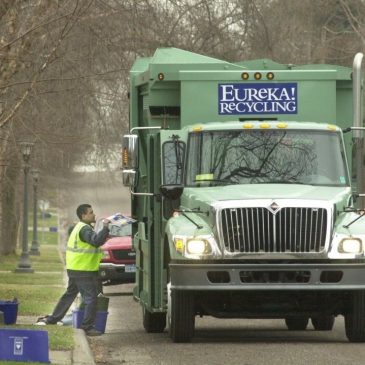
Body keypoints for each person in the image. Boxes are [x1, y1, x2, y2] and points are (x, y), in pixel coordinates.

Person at [36, 203, 110, 336]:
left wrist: (103, 236)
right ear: (83, 215)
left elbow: (93, 243)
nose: (94, 214)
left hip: (75, 269)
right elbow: (95, 242)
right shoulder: (85, 229)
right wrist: (105, 228)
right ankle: (87, 327)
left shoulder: (80, 228)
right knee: (91, 298)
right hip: (83, 271)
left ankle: (53, 319)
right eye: (91, 212)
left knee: (69, 295)